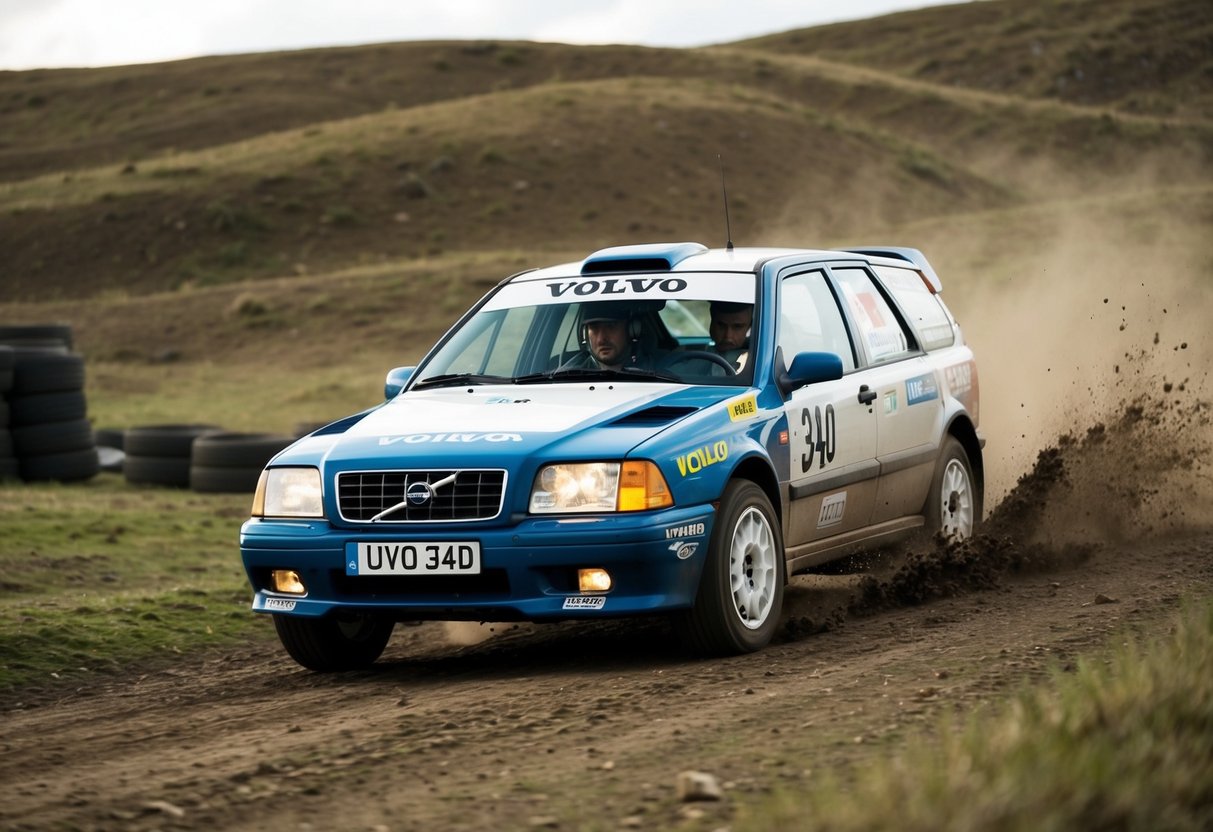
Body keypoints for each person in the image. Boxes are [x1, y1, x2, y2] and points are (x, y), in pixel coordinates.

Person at [561, 300, 656, 371]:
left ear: (633, 330)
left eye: (611, 326)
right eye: (594, 328)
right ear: (585, 335)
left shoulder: (659, 371)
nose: (601, 339)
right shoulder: (567, 376)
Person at [709, 300, 752, 371]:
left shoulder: (757, 363)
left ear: (749, 327)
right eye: (721, 325)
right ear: (711, 325)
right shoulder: (695, 361)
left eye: (737, 326)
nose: (728, 336)